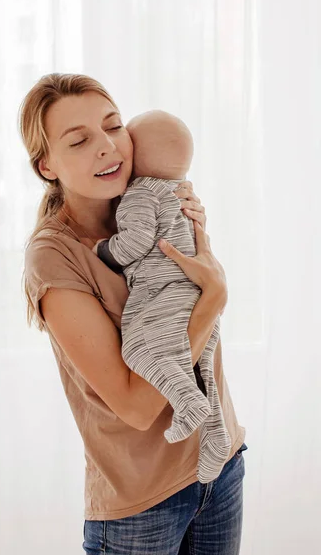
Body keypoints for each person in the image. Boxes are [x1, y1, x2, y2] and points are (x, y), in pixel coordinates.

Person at [20, 73, 248, 555]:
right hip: (142, 507)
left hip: (219, 463)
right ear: (47, 166)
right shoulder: (54, 257)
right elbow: (137, 407)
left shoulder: (155, 197)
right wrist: (213, 299)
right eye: (79, 141)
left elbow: (186, 293)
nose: (107, 147)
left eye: (113, 125)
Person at [93, 110, 231, 484]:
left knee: (139, 350)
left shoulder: (140, 193)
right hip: (196, 293)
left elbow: (135, 242)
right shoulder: (182, 191)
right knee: (202, 366)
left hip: (164, 294)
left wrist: (105, 250)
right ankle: (216, 433)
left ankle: (187, 401)